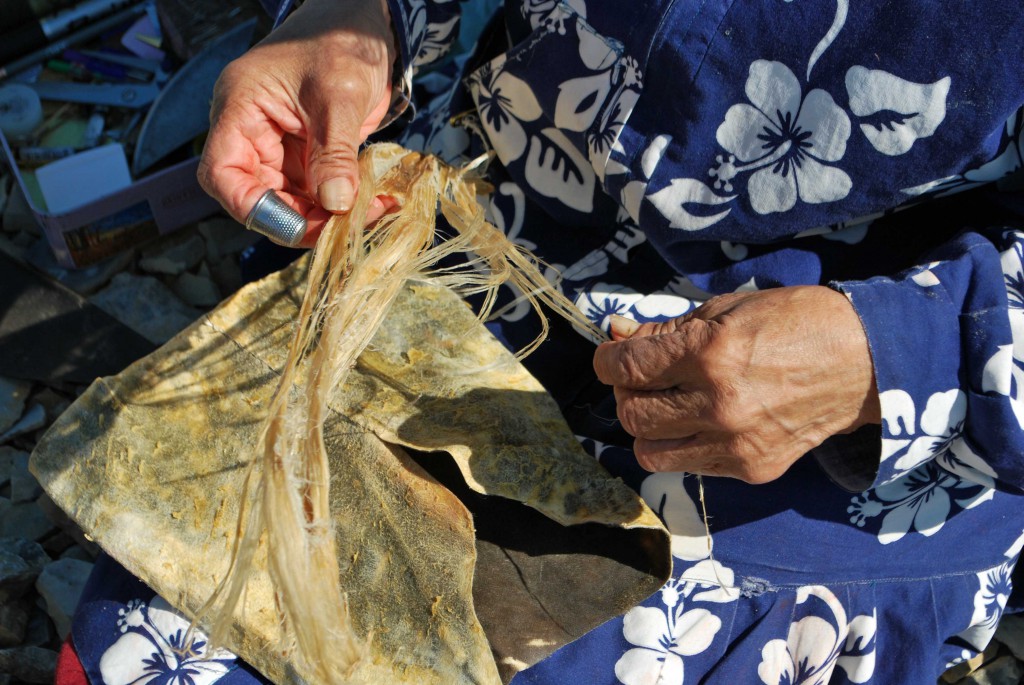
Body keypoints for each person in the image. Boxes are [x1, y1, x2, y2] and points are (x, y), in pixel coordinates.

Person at [64, 0, 1024, 683]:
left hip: (832, 429)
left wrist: (890, 358)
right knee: (151, 639)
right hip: (483, 261)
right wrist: (361, 22)